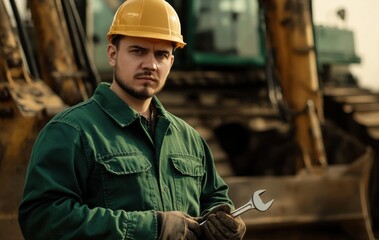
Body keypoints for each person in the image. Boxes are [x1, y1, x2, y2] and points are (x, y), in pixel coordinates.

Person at [18, 0, 246, 239]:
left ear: (171, 62)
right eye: (138, 51)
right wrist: (153, 227)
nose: (151, 64)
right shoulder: (72, 131)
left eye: (161, 54)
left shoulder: (188, 138)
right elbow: (42, 218)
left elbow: (215, 197)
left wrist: (225, 221)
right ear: (113, 54)